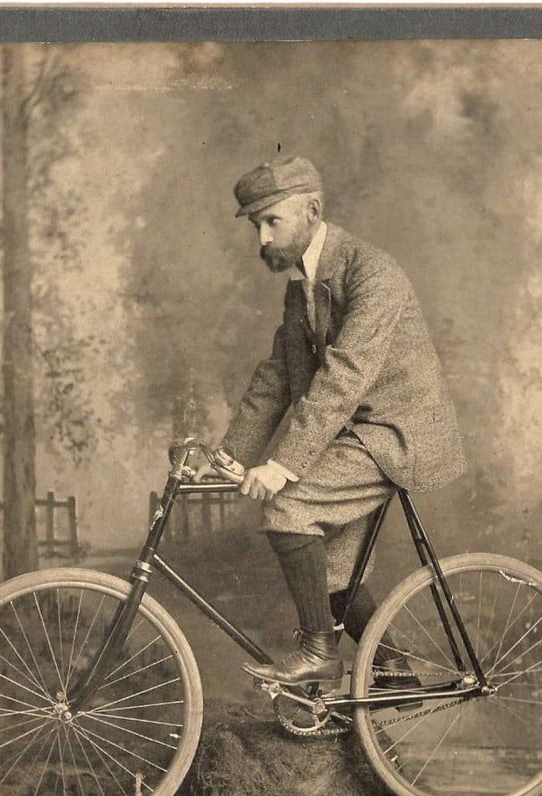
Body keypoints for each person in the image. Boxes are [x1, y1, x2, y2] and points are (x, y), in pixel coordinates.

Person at [199, 154, 466, 686]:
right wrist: (228, 456)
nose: (262, 239)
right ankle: (393, 673)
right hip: (357, 433)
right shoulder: (302, 285)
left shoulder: (372, 272)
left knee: (289, 509)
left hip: (399, 434)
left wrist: (282, 466)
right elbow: (277, 375)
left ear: (312, 211)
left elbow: (345, 377)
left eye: (272, 221)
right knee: (330, 574)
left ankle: (319, 651)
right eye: (257, 226)